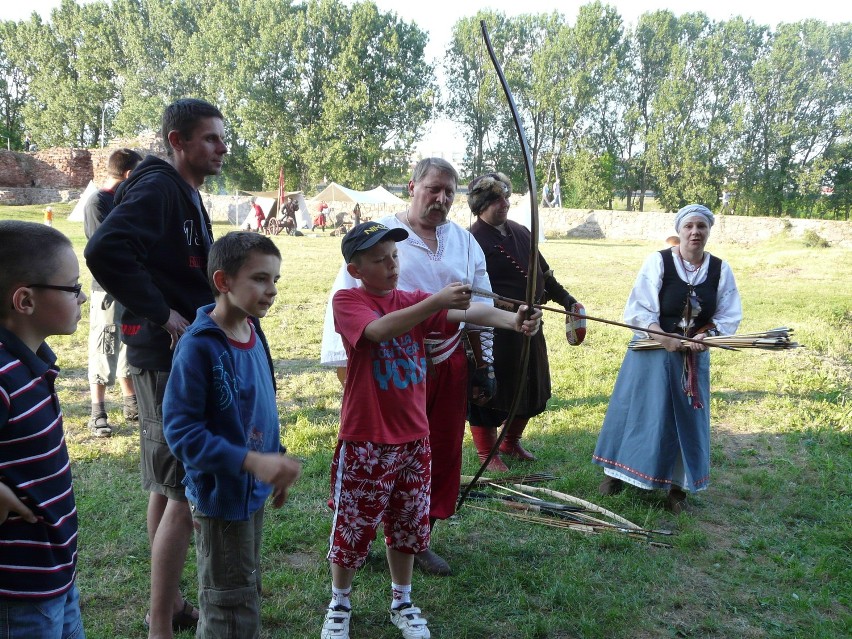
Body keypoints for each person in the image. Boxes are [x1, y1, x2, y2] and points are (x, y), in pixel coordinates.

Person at [322, 222, 540, 639]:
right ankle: (339, 601)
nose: (391, 266)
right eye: (378, 260)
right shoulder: (348, 299)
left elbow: (468, 310)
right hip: (367, 438)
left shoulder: (412, 299)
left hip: (413, 438)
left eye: (394, 257)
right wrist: (436, 301)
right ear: (356, 268)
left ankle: (402, 599)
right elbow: (377, 331)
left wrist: (513, 319)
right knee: (354, 523)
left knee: (407, 523)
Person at [85, 98, 228, 639]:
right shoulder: (159, 186)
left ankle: (165, 605)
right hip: (162, 354)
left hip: (174, 354)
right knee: (178, 492)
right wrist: (164, 313)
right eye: (210, 138)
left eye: (222, 137)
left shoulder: (182, 191)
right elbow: (106, 248)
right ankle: (160, 624)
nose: (221, 147)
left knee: (165, 485)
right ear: (177, 140)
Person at [320, 157, 494, 576]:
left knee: (439, 450)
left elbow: (480, 302)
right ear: (412, 187)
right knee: (376, 456)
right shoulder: (379, 237)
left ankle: (418, 537)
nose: (441, 198)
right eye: (433, 189)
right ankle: (360, 534)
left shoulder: (465, 241)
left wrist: (484, 361)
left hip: (447, 356)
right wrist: (347, 370)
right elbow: (351, 312)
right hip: (386, 364)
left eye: (449, 192)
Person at [163, 232, 302, 638]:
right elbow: (182, 433)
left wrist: (274, 458)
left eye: (275, 279)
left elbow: (262, 406)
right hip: (223, 498)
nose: (271, 290)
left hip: (252, 491)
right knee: (227, 602)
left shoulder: (254, 332)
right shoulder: (198, 347)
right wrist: (251, 461)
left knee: (243, 583)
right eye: (260, 279)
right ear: (223, 281)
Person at [592, 204, 742, 513]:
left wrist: (706, 336)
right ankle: (615, 473)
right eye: (689, 226)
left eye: (701, 226)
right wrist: (663, 337)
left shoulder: (720, 269)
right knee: (636, 411)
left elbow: (729, 313)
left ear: (709, 231)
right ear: (680, 230)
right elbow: (639, 308)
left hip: (691, 359)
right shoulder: (658, 261)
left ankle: (677, 489)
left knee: (685, 421)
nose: (695, 232)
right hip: (651, 351)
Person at [0, 221, 88, 638]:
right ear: (26, 300)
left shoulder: (32, 360)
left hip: (55, 573)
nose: (82, 296)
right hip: (18, 592)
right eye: (72, 287)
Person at [467, 172, 581, 471]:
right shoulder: (472, 240)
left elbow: (545, 276)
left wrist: (567, 301)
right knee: (491, 392)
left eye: (506, 197)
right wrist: (507, 307)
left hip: (530, 327)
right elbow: (472, 291)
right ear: (480, 205)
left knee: (532, 386)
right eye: (495, 200)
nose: (504, 204)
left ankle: (510, 441)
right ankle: (487, 455)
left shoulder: (521, 232)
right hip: (492, 329)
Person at [83, 147, 143, 437]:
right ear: (129, 174)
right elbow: (106, 248)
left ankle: (131, 403)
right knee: (105, 346)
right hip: (107, 290)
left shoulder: (126, 201)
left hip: (132, 289)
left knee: (128, 345)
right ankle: (98, 412)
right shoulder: (98, 202)